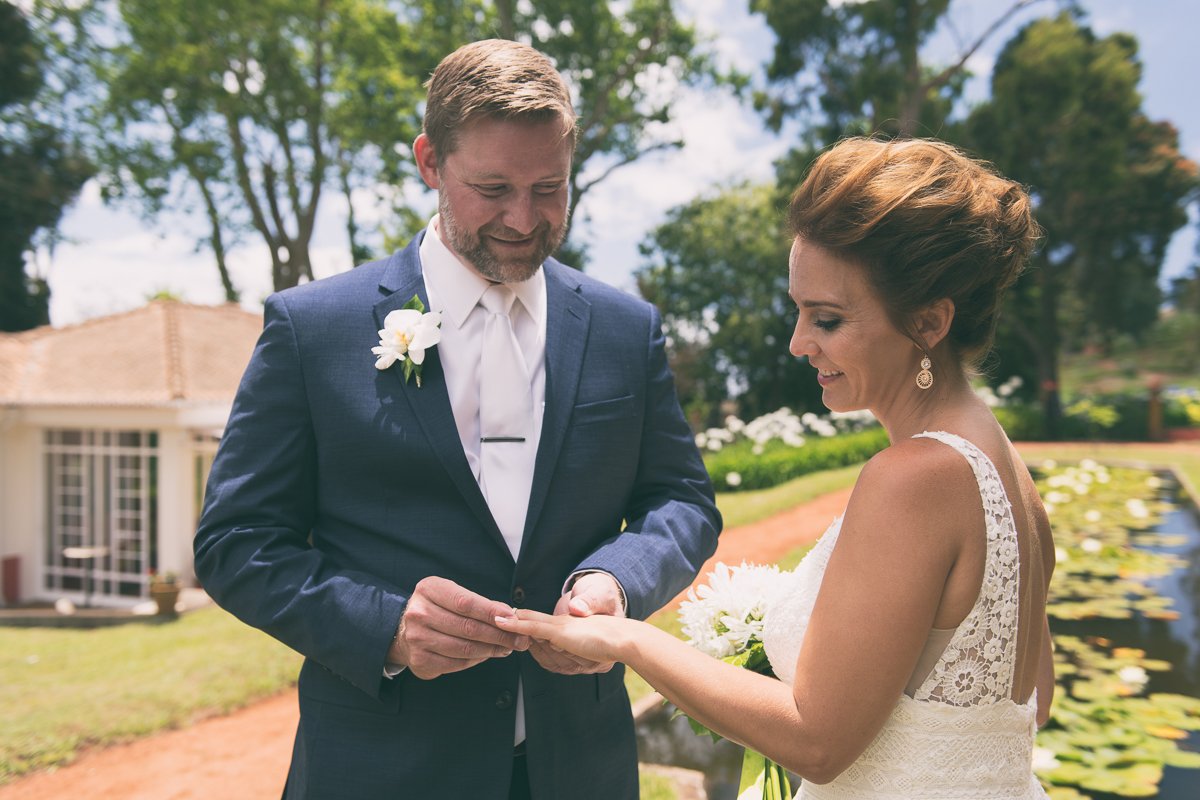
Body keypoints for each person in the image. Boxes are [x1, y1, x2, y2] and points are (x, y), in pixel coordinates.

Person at [193, 39, 720, 800]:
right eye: (493, 187)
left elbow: (683, 500)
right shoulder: (313, 329)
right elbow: (234, 541)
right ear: (430, 163)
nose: (524, 218)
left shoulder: (624, 328)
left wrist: (618, 582)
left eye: (550, 188)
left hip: (580, 767)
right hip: (381, 768)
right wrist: (386, 628)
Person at [499, 136, 1056, 798]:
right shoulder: (1008, 475)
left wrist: (627, 641)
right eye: (799, 311)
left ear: (930, 321)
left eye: (827, 318)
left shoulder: (912, 478)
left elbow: (815, 742)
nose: (799, 343)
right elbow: (1027, 700)